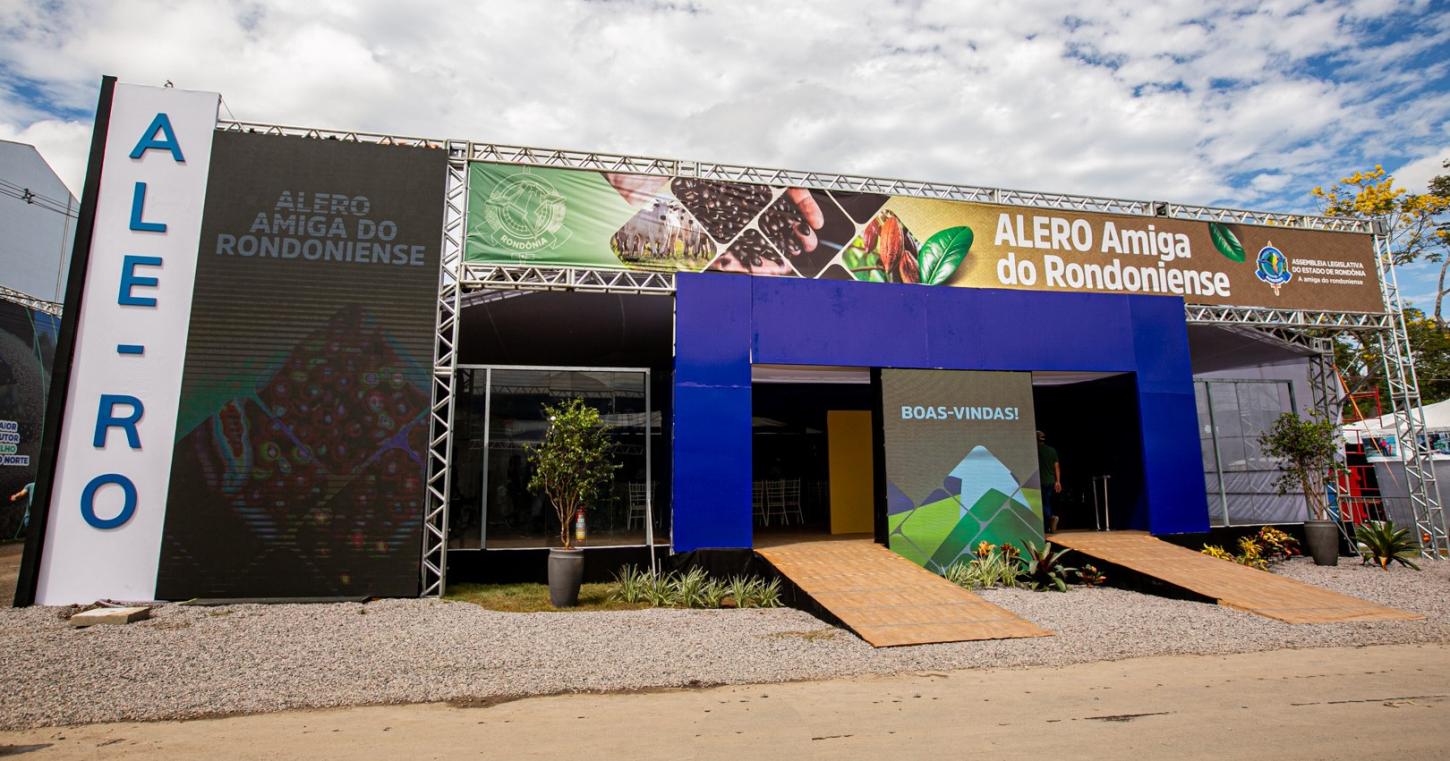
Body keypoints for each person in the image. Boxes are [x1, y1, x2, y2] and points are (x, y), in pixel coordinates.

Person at [1036, 432, 1061, 533]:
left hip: (1040, 481)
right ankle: (1047, 527)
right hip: (1051, 481)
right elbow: (1057, 466)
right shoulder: (1052, 450)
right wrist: (1058, 481)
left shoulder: (1035, 450)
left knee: (1043, 504)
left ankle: (1051, 517)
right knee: (1046, 503)